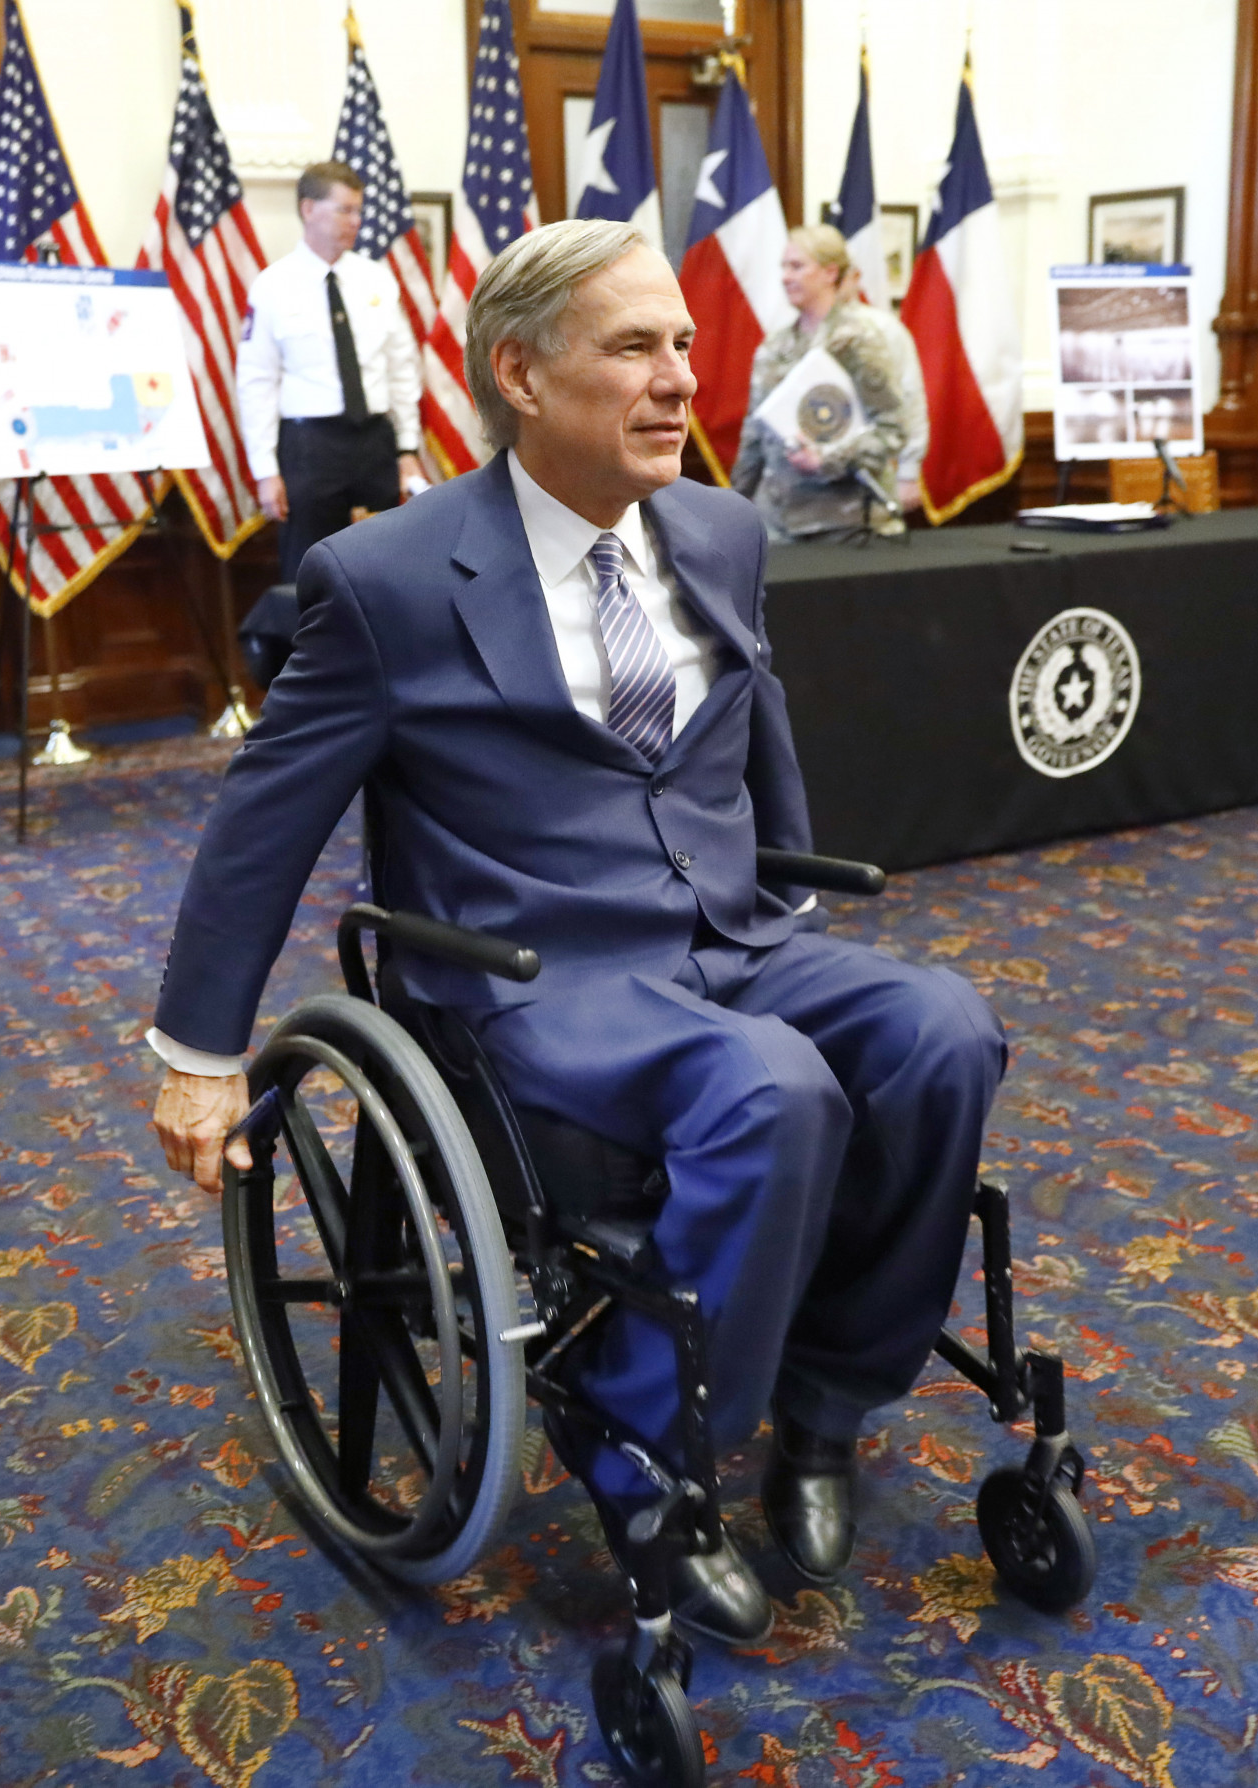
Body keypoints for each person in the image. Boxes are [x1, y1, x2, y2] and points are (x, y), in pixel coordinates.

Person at [149, 220, 1003, 1647]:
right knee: (773, 1087)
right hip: (539, 973)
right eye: (634, 348)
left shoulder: (723, 533)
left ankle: (827, 1405)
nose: (680, 377)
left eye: (681, 344)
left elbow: (753, 723)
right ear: (523, 376)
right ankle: (642, 1458)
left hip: (726, 935)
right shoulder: (390, 581)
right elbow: (265, 815)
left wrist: (786, 903)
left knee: (943, 1029)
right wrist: (200, 1046)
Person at [236, 161, 426, 624]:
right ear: (308, 209)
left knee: (387, 567)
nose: (355, 222)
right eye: (344, 210)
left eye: (359, 210)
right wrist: (265, 470)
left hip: (374, 441)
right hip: (310, 447)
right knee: (311, 572)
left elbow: (401, 367)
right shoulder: (274, 286)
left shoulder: (377, 279)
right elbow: (256, 381)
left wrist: (406, 449)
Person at [729, 225, 905, 542]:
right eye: (783, 267)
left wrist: (828, 461)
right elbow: (755, 437)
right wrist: (733, 506)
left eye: (796, 266)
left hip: (845, 526)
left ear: (829, 272)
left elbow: (892, 428)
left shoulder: (859, 342)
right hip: (778, 525)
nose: (785, 276)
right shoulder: (774, 348)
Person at [851, 269, 930, 514]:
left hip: (870, 481)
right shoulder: (790, 335)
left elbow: (910, 399)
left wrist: (908, 472)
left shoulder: (881, 329)